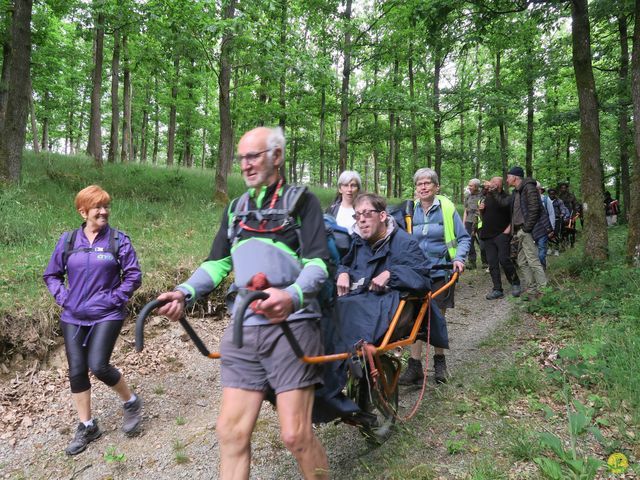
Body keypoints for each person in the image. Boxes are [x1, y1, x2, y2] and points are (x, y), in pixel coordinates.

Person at [156, 127, 329, 480]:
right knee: (231, 432)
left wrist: (292, 295)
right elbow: (217, 263)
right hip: (243, 327)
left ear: (277, 156)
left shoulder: (302, 202)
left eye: (254, 156)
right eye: (242, 158)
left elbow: (318, 264)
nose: (246, 165)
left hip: (292, 327)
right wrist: (184, 292)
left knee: (295, 434)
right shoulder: (236, 208)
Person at [43, 185, 143, 455]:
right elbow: (51, 275)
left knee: (98, 365)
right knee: (76, 370)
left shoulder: (117, 241)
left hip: (107, 313)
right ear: (83, 211)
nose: (103, 211)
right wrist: (64, 298)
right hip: (73, 315)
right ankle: (87, 425)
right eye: (98, 207)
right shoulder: (68, 241)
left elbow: (134, 275)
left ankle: (131, 401)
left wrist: (113, 299)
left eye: (106, 206)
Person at [399, 168, 470, 385]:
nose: (423, 187)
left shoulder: (447, 209)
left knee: (436, 318)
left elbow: (464, 238)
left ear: (436, 186)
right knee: (415, 319)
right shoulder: (410, 211)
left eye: (428, 183)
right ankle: (415, 367)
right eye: (419, 184)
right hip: (417, 274)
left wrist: (459, 258)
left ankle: (440, 363)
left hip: (442, 271)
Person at [335, 193, 431, 348]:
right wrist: (342, 273)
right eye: (357, 215)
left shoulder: (405, 243)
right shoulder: (357, 242)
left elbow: (423, 279)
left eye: (367, 213)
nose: (361, 219)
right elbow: (343, 263)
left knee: (344, 319)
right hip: (358, 302)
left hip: (392, 309)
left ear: (382, 216)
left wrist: (391, 274)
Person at [505, 167, 550, 300]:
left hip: (527, 231)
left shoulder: (528, 187)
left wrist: (526, 229)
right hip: (519, 231)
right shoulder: (516, 191)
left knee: (533, 260)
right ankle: (531, 290)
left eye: (508, 177)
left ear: (515, 177)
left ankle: (544, 290)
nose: (507, 179)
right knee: (522, 261)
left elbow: (535, 209)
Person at [478, 177, 521, 299]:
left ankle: (515, 283)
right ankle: (497, 289)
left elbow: (513, 215)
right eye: (492, 183)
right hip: (487, 235)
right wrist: (481, 210)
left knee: (504, 259)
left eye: (496, 183)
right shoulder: (487, 197)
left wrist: (508, 229)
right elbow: (484, 216)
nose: (493, 185)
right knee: (492, 263)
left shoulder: (507, 197)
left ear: (501, 185)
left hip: (501, 234)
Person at [463, 178, 487, 270]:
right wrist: (463, 223)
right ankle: (472, 262)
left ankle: (485, 262)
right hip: (469, 222)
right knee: (469, 242)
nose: (469, 187)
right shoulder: (468, 196)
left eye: (471, 186)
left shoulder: (482, 196)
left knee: (482, 243)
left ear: (476, 187)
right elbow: (466, 210)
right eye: (469, 185)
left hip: (480, 222)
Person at [536, 182, 555, 270]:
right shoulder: (528, 200)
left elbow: (551, 214)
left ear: (540, 190)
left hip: (544, 228)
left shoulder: (546, 200)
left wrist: (552, 229)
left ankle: (542, 266)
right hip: (532, 229)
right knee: (536, 250)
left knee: (541, 247)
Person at [547, 188, 569, 256]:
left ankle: (556, 250)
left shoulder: (559, 201)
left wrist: (562, 214)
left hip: (557, 219)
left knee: (556, 234)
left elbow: (563, 208)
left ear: (555, 194)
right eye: (550, 194)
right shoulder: (546, 200)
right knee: (548, 234)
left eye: (553, 194)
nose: (552, 195)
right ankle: (550, 248)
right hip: (547, 220)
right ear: (549, 194)